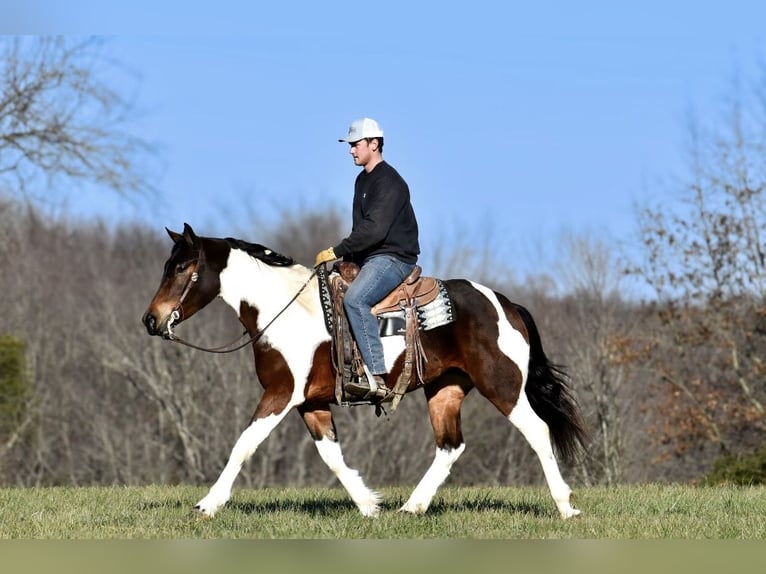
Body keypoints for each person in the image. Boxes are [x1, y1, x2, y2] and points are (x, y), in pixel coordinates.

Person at [314, 118, 420, 399]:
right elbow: (360, 229)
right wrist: (345, 259)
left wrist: (335, 251)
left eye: (355, 144)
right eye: (349, 146)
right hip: (370, 256)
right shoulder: (362, 179)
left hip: (394, 257)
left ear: (374, 144)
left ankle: (378, 377)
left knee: (355, 299)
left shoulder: (390, 182)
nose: (351, 150)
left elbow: (374, 230)